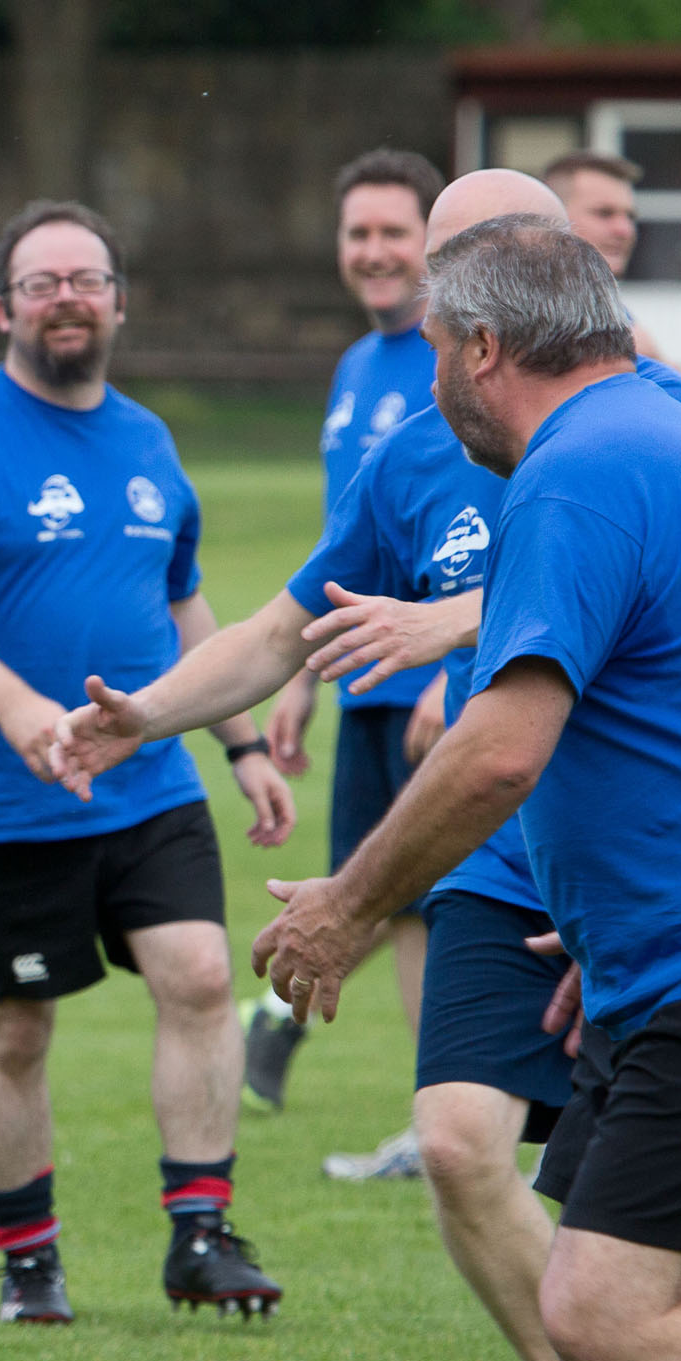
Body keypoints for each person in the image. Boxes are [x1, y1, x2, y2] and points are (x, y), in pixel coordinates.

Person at [54, 168, 681, 1361]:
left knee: (633, 1271)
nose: (441, 293)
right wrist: (148, 716)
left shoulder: (629, 422)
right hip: (522, 855)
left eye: (479, 259)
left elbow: (613, 587)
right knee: (471, 1149)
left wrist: (457, 623)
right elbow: (292, 622)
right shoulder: (420, 447)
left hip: (610, 844)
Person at [249, 215, 681, 1361]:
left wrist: (342, 908)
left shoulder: (581, 472)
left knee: (606, 1312)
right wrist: (613, 940)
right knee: (643, 1352)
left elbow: (502, 744)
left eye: (435, 367)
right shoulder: (664, 435)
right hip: (655, 973)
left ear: (475, 351)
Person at [0, 199, 290, 1329]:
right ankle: (29, 1260)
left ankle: (199, 1234)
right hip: (6, 793)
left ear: (117, 304)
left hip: (148, 781)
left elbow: (182, 598)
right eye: (45, 281)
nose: (68, 297)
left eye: (88, 279)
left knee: (200, 974)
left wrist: (241, 744)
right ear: (5, 306)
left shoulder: (149, 441)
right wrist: (13, 706)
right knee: (15, 1030)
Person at [246, 149, 445, 1145]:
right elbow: (343, 543)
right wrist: (303, 674)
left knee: (428, 900)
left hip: (444, 684)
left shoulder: (461, 358)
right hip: (367, 681)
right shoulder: (356, 367)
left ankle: (438, 1122)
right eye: (358, 234)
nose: (374, 253)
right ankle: (425, 1117)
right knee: (395, 895)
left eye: (393, 233)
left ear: (433, 243)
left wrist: (454, 669)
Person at [544, 149, 662, 357]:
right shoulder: (522, 317)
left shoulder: (616, 318)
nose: (625, 230)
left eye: (630, 216)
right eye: (604, 213)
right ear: (552, 215)